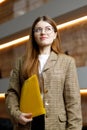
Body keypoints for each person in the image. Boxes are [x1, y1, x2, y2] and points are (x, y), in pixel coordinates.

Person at [5, 16, 82, 130]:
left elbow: (73, 102)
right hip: (27, 123)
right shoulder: (21, 62)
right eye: (38, 29)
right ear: (33, 35)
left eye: (48, 29)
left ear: (55, 34)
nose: (43, 32)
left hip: (56, 125)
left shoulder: (67, 62)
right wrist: (17, 114)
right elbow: (12, 93)